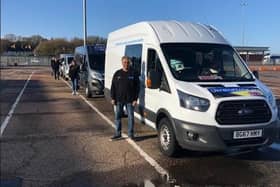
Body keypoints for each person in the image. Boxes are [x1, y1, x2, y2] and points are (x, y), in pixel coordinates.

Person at [110, 56, 140, 141]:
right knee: (118, 117)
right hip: (119, 99)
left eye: (127, 62)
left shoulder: (133, 73)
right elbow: (113, 86)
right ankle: (117, 133)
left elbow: (137, 87)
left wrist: (135, 99)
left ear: (129, 63)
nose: (126, 64)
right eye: (124, 62)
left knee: (131, 117)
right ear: (122, 63)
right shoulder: (117, 73)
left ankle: (131, 134)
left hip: (130, 100)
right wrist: (113, 98)